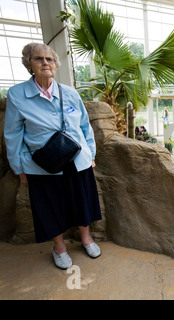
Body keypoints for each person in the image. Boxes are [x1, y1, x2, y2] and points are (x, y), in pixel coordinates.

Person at [4, 43, 102, 269]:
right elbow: (12, 134)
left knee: (82, 200)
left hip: (77, 159)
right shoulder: (18, 95)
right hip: (41, 162)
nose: (45, 63)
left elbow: (85, 126)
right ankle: (59, 247)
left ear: (56, 65)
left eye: (49, 59)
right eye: (39, 59)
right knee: (49, 205)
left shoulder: (69, 92)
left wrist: (90, 153)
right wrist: (19, 168)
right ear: (29, 64)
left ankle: (86, 238)